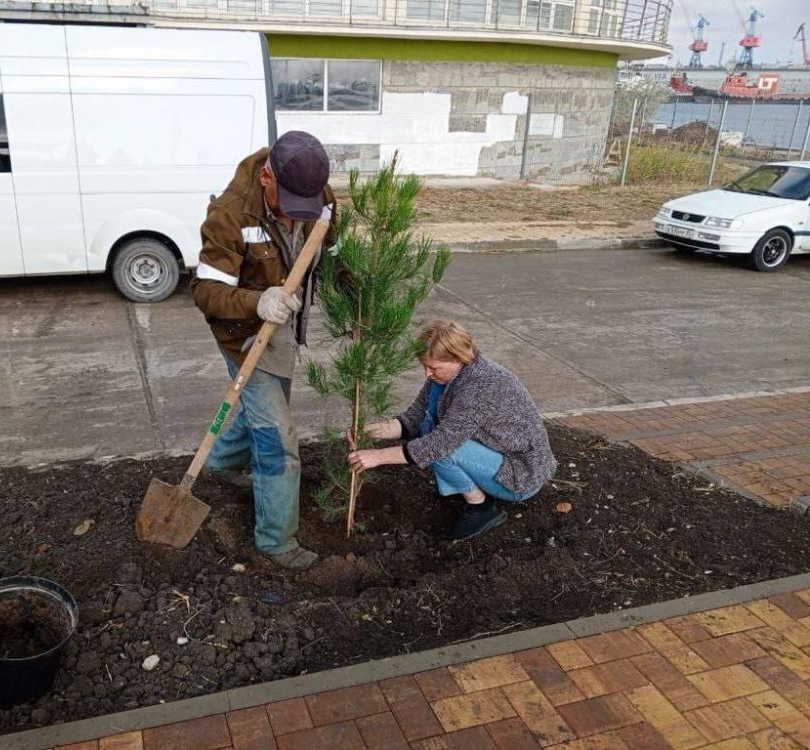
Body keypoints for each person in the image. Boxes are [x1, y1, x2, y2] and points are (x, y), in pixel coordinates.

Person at [191, 131, 337, 570]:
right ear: (268, 177)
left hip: (283, 327)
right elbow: (206, 291)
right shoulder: (230, 214)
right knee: (277, 438)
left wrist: (353, 300)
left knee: (262, 412)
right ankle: (276, 542)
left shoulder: (318, 193)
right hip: (244, 335)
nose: (296, 215)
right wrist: (259, 301)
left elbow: (329, 252)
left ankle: (220, 463)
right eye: (287, 202)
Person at [347, 320, 557, 541]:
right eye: (425, 366)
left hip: (521, 475)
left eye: (433, 367)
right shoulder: (446, 376)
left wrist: (377, 457)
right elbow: (414, 419)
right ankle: (465, 486)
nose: (427, 374)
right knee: (429, 428)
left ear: (457, 358)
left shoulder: (481, 386)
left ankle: (483, 508)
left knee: (440, 449)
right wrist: (368, 432)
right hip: (497, 456)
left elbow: (440, 445)